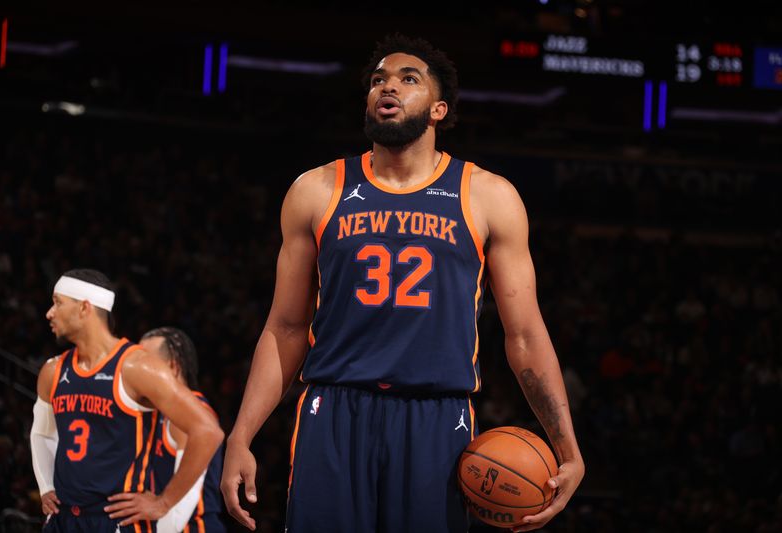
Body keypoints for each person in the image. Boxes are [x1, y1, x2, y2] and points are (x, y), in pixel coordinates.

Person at [220, 34, 584, 533]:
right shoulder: (316, 189)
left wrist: (567, 448)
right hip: (334, 410)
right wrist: (241, 436)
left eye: (407, 79)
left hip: (437, 418)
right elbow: (284, 328)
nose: (387, 87)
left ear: (438, 109)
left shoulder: (488, 196)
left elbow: (523, 335)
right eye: (378, 80)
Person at [30, 269, 224, 532]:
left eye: (58, 302)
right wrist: (46, 487)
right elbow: (41, 433)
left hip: (114, 520)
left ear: (84, 308)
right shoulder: (53, 370)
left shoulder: (138, 367)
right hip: (64, 518)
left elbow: (208, 431)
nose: (49, 313)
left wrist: (164, 502)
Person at [140, 327, 227, 533]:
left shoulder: (192, 414)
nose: (138, 370)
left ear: (172, 367)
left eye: (146, 364)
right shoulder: (154, 411)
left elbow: (182, 505)